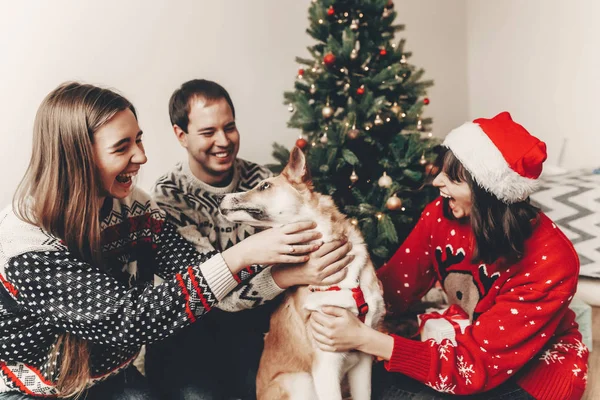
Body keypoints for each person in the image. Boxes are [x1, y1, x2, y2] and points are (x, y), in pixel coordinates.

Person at [0, 82, 332, 399]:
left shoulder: (138, 208)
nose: (142, 157)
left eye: (138, 141)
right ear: (77, 158)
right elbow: (128, 320)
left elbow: (208, 282)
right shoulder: (26, 244)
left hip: (110, 375)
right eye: (122, 147)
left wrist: (276, 267)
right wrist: (242, 255)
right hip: (33, 390)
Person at [309, 112, 589, 399]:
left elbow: (474, 367)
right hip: (471, 347)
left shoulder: (551, 260)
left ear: (486, 192)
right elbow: (392, 288)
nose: (437, 182)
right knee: (376, 382)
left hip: (533, 375)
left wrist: (366, 339)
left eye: (453, 178)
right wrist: (338, 307)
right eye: (441, 170)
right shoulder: (440, 216)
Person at [146, 79, 352, 399]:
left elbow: (305, 246)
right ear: (180, 135)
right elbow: (209, 290)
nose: (223, 141)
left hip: (252, 325)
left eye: (229, 127)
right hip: (191, 333)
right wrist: (291, 275)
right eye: (208, 132)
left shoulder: (261, 181)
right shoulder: (170, 197)